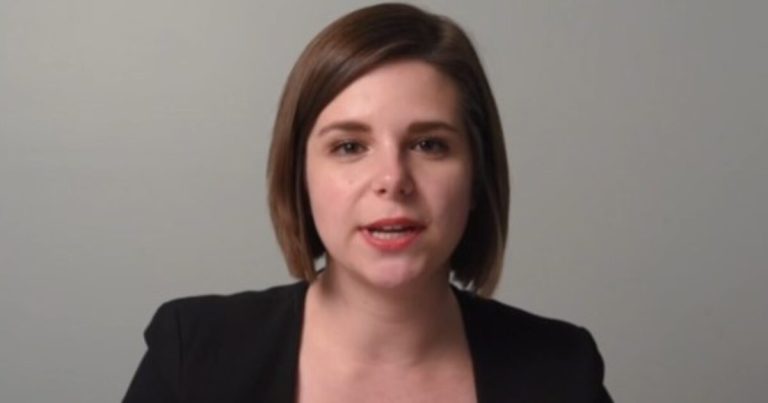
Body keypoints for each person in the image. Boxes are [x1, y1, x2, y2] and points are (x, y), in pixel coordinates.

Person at [123, 3, 613, 402]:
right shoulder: (193, 356)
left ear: (477, 176)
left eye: (429, 144)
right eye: (349, 146)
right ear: (300, 177)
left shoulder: (563, 373)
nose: (392, 180)